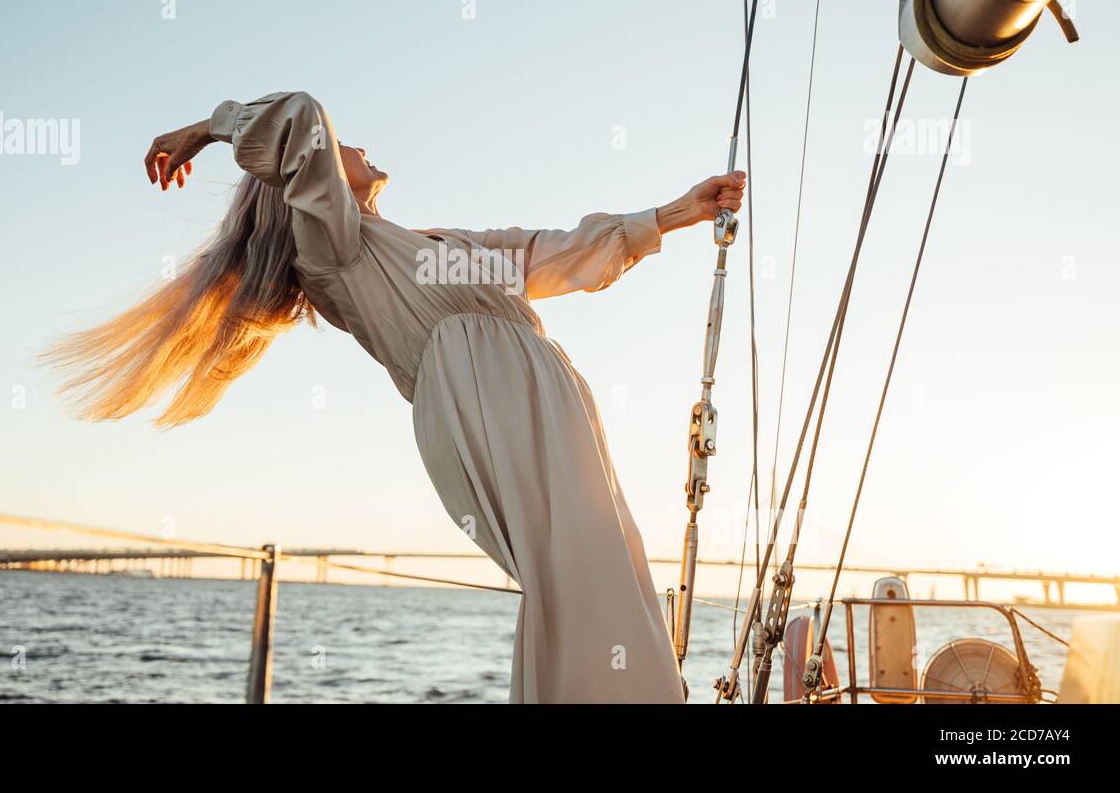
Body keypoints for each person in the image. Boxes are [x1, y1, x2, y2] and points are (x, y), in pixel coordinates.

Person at [47, 90, 745, 703]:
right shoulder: (333, 249)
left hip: (546, 404)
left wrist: (681, 210)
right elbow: (301, 118)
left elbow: (554, 254)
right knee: (583, 581)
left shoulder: (428, 245)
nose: (355, 143)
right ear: (303, 187)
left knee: (610, 573)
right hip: (488, 403)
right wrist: (211, 127)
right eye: (342, 144)